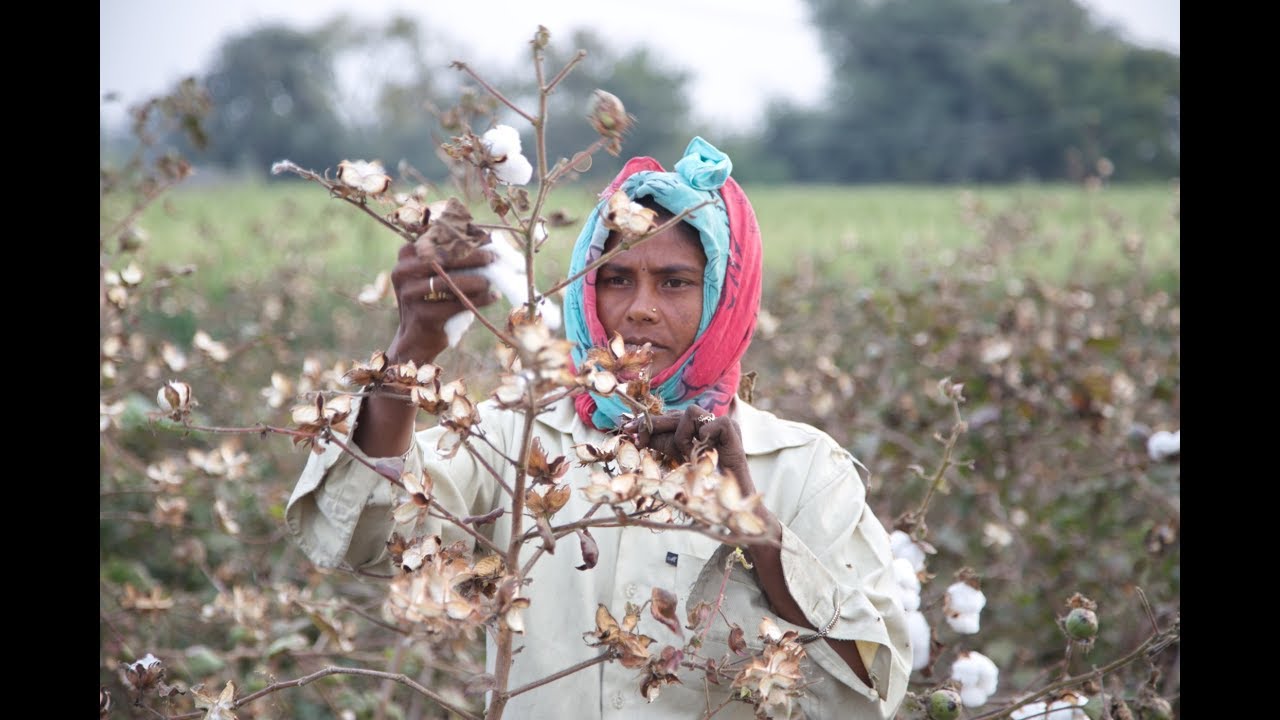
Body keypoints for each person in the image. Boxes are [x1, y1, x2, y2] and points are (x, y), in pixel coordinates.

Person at [286, 137, 911, 718]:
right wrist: (412, 348)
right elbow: (359, 534)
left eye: (675, 282)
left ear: (724, 299)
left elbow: (870, 686)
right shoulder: (515, 439)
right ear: (585, 292)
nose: (640, 307)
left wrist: (749, 520)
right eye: (616, 279)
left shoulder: (803, 467)